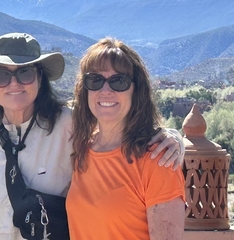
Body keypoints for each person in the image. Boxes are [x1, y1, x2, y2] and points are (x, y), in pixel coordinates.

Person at [0, 33, 183, 240]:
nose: (14, 83)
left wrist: (173, 138)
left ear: (40, 79)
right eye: (2, 76)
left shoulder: (70, 126)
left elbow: (114, 121)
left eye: (25, 73)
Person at [65, 38, 186, 239]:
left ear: (136, 90)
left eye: (118, 81)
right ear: (84, 89)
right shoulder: (81, 151)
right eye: (95, 80)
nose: (105, 91)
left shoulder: (157, 160)